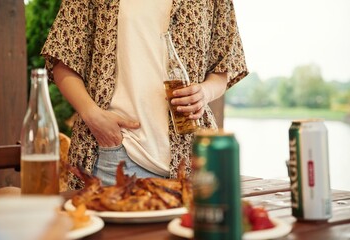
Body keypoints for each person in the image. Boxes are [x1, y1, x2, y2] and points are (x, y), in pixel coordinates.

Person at [41, 0, 248, 189]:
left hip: (194, 161)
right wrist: (92, 115)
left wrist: (205, 92)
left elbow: (225, 66)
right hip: (116, 155)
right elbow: (62, 59)